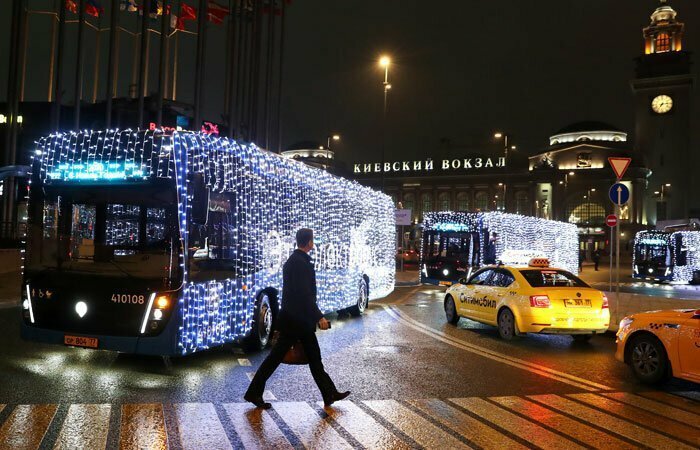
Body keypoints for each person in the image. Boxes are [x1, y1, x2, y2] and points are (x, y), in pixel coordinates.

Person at [244, 228, 350, 409]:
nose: (313, 243)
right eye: (313, 240)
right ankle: (254, 393)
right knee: (276, 359)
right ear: (309, 242)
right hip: (297, 322)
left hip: (296, 320)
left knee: (313, 360)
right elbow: (304, 295)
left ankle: (329, 393)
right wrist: (319, 317)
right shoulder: (301, 263)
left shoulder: (294, 261)